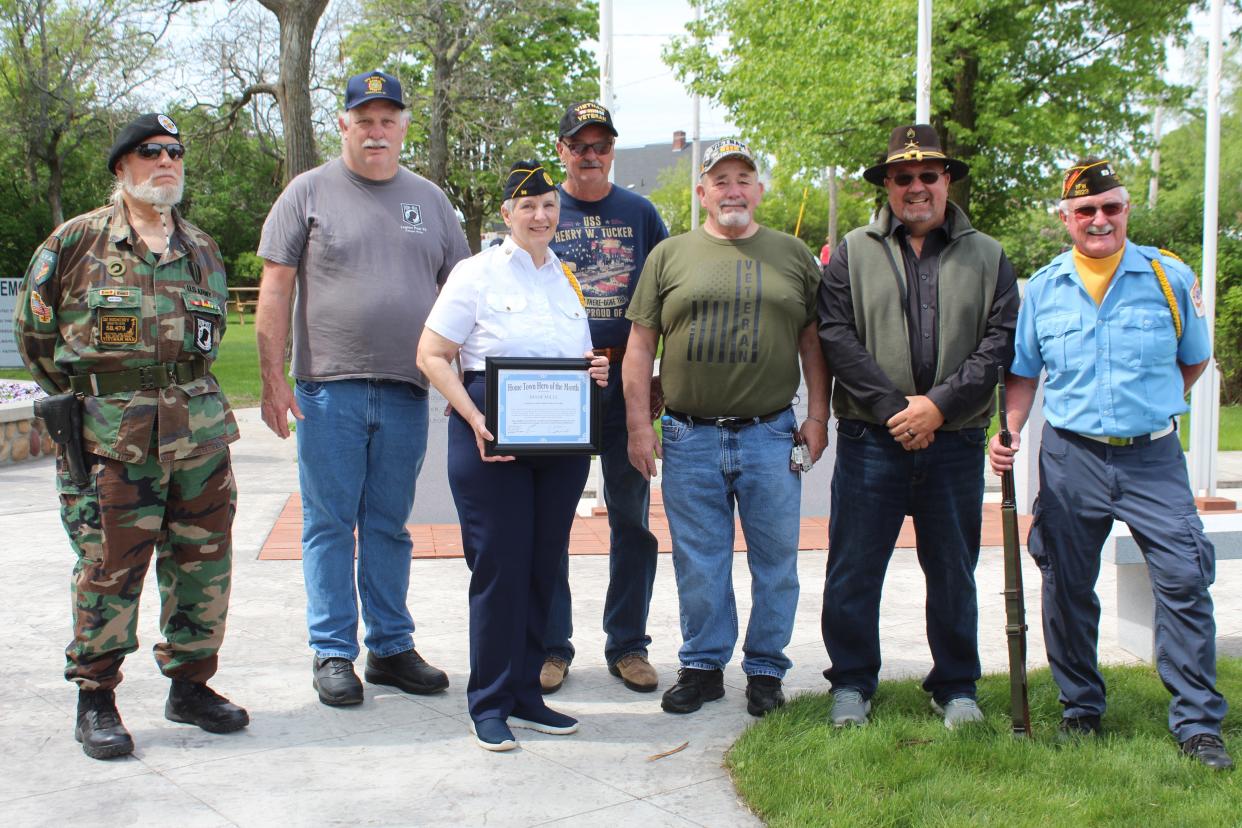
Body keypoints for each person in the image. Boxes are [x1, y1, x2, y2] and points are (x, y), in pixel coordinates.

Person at [13, 113, 248, 759]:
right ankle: (96, 697)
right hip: (112, 440)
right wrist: (98, 396)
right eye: (151, 152)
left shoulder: (201, 247)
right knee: (108, 570)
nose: (166, 161)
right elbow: (34, 339)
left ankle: (192, 687)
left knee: (203, 568)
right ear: (122, 166)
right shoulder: (75, 243)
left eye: (175, 152)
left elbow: (214, 334)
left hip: (198, 436)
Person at [989, 159, 1232, 770]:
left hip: (1153, 457)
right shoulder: (1043, 288)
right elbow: (1023, 372)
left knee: (1182, 580)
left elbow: (1195, 360)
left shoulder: (1168, 276)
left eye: (1111, 208)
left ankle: (1198, 724)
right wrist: (1010, 431)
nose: (1099, 220)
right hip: (1071, 458)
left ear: (1126, 210)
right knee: (1067, 586)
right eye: (1086, 211)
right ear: (1067, 218)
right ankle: (1080, 709)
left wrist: (1148, 407)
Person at [256, 71, 469, 706]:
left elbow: (463, 292)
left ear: (403, 127)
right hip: (328, 390)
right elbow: (274, 289)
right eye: (364, 119)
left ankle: (391, 647)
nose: (376, 131)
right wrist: (273, 381)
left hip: (407, 390)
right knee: (327, 523)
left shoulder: (431, 201)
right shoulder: (307, 193)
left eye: (388, 120)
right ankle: (332, 652)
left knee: (389, 524)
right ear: (343, 125)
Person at [818, 124, 1018, 729]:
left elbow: (998, 342)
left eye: (928, 175)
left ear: (946, 180)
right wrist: (896, 410)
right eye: (902, 177)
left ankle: (955, 686)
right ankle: (851, 682)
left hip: (954, 443)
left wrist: (938, 406)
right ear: (888, 185)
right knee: (853, 568)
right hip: (869, 441)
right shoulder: (853, 250)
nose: (916, 187)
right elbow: (836, 335)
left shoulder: (989, 255)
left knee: (954, 570)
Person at [624, 139, 830, 717]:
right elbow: (640, 346)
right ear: (702, 193)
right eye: (720, 180)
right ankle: (704, 665)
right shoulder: (669, 256)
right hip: (689, 437)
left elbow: (814, 343)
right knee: (699, 560)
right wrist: (640, 426)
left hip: (771, 435)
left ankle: (766, 668)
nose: (732, 189)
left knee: (776, 561)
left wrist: (818, 416)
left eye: (743, 178)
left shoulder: (792, 256)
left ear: (759, 190)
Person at [417, 161, 609, 751]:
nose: (541, 215)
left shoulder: (565, 277)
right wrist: (476, 420)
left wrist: (595, 368)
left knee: (541, 564)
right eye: (528, 206)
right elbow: (431, 354)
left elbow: (573, 358)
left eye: (549, 205)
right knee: (500, 566)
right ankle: (491, 702)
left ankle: (528, 693)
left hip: (558, 439)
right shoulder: (474, 274)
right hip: (491, 432)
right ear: (507, 215)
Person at [542, 101, 670, 694]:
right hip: (557, 387)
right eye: (579, 145)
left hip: (626, 386)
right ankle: (549, 644)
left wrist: (659, 378)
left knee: (632, 520)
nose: (590, 156)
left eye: (601, 145)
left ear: (612, 150)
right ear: (562, 149)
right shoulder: (543, 208)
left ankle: (628, 643)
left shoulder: (640, 215)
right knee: (548, 522)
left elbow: (669, 298)